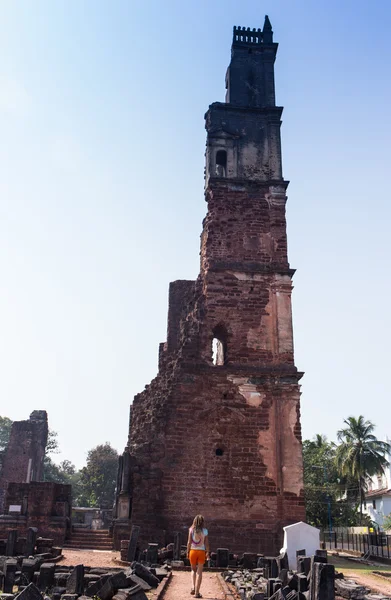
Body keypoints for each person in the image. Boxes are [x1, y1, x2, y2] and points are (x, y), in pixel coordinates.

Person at [187, 514, 210, 598]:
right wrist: (208, 552)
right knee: (199, 572)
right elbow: (206, 543)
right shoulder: (205, 531)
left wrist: (187, 551)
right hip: (201, 551)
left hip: (193, 551)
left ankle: (193, 586)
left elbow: (189, 542)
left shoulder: (191, 530)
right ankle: (197, 593)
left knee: (193, 570)